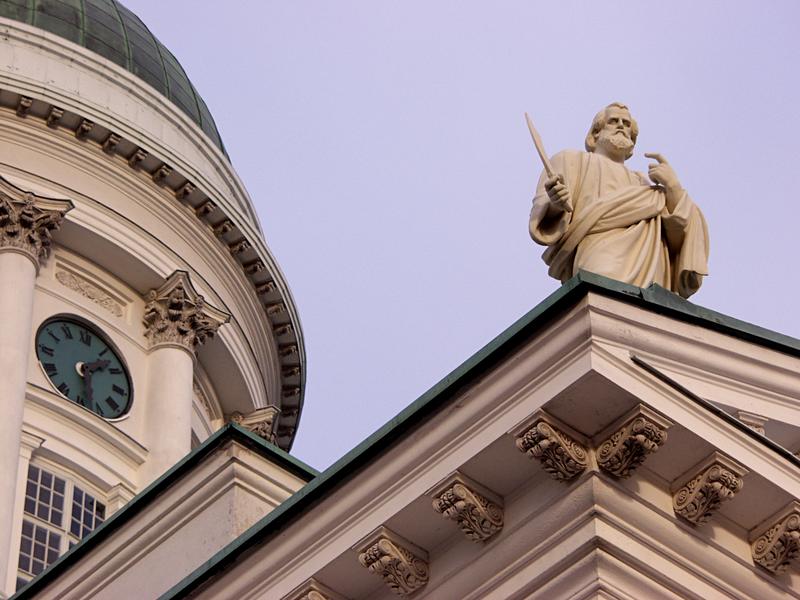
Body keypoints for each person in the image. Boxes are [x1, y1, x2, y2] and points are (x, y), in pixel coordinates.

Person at [528, 103, 709, 299]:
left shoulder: (643, 183)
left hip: (651, 264)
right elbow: (545, 211)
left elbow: (678, 234)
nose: (621, 126)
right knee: (603, 299)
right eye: (613, 121)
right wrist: (555, 203)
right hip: (601, 252)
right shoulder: (572, 159)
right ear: (596, 133)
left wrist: (673, 188)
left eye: (627, 124)